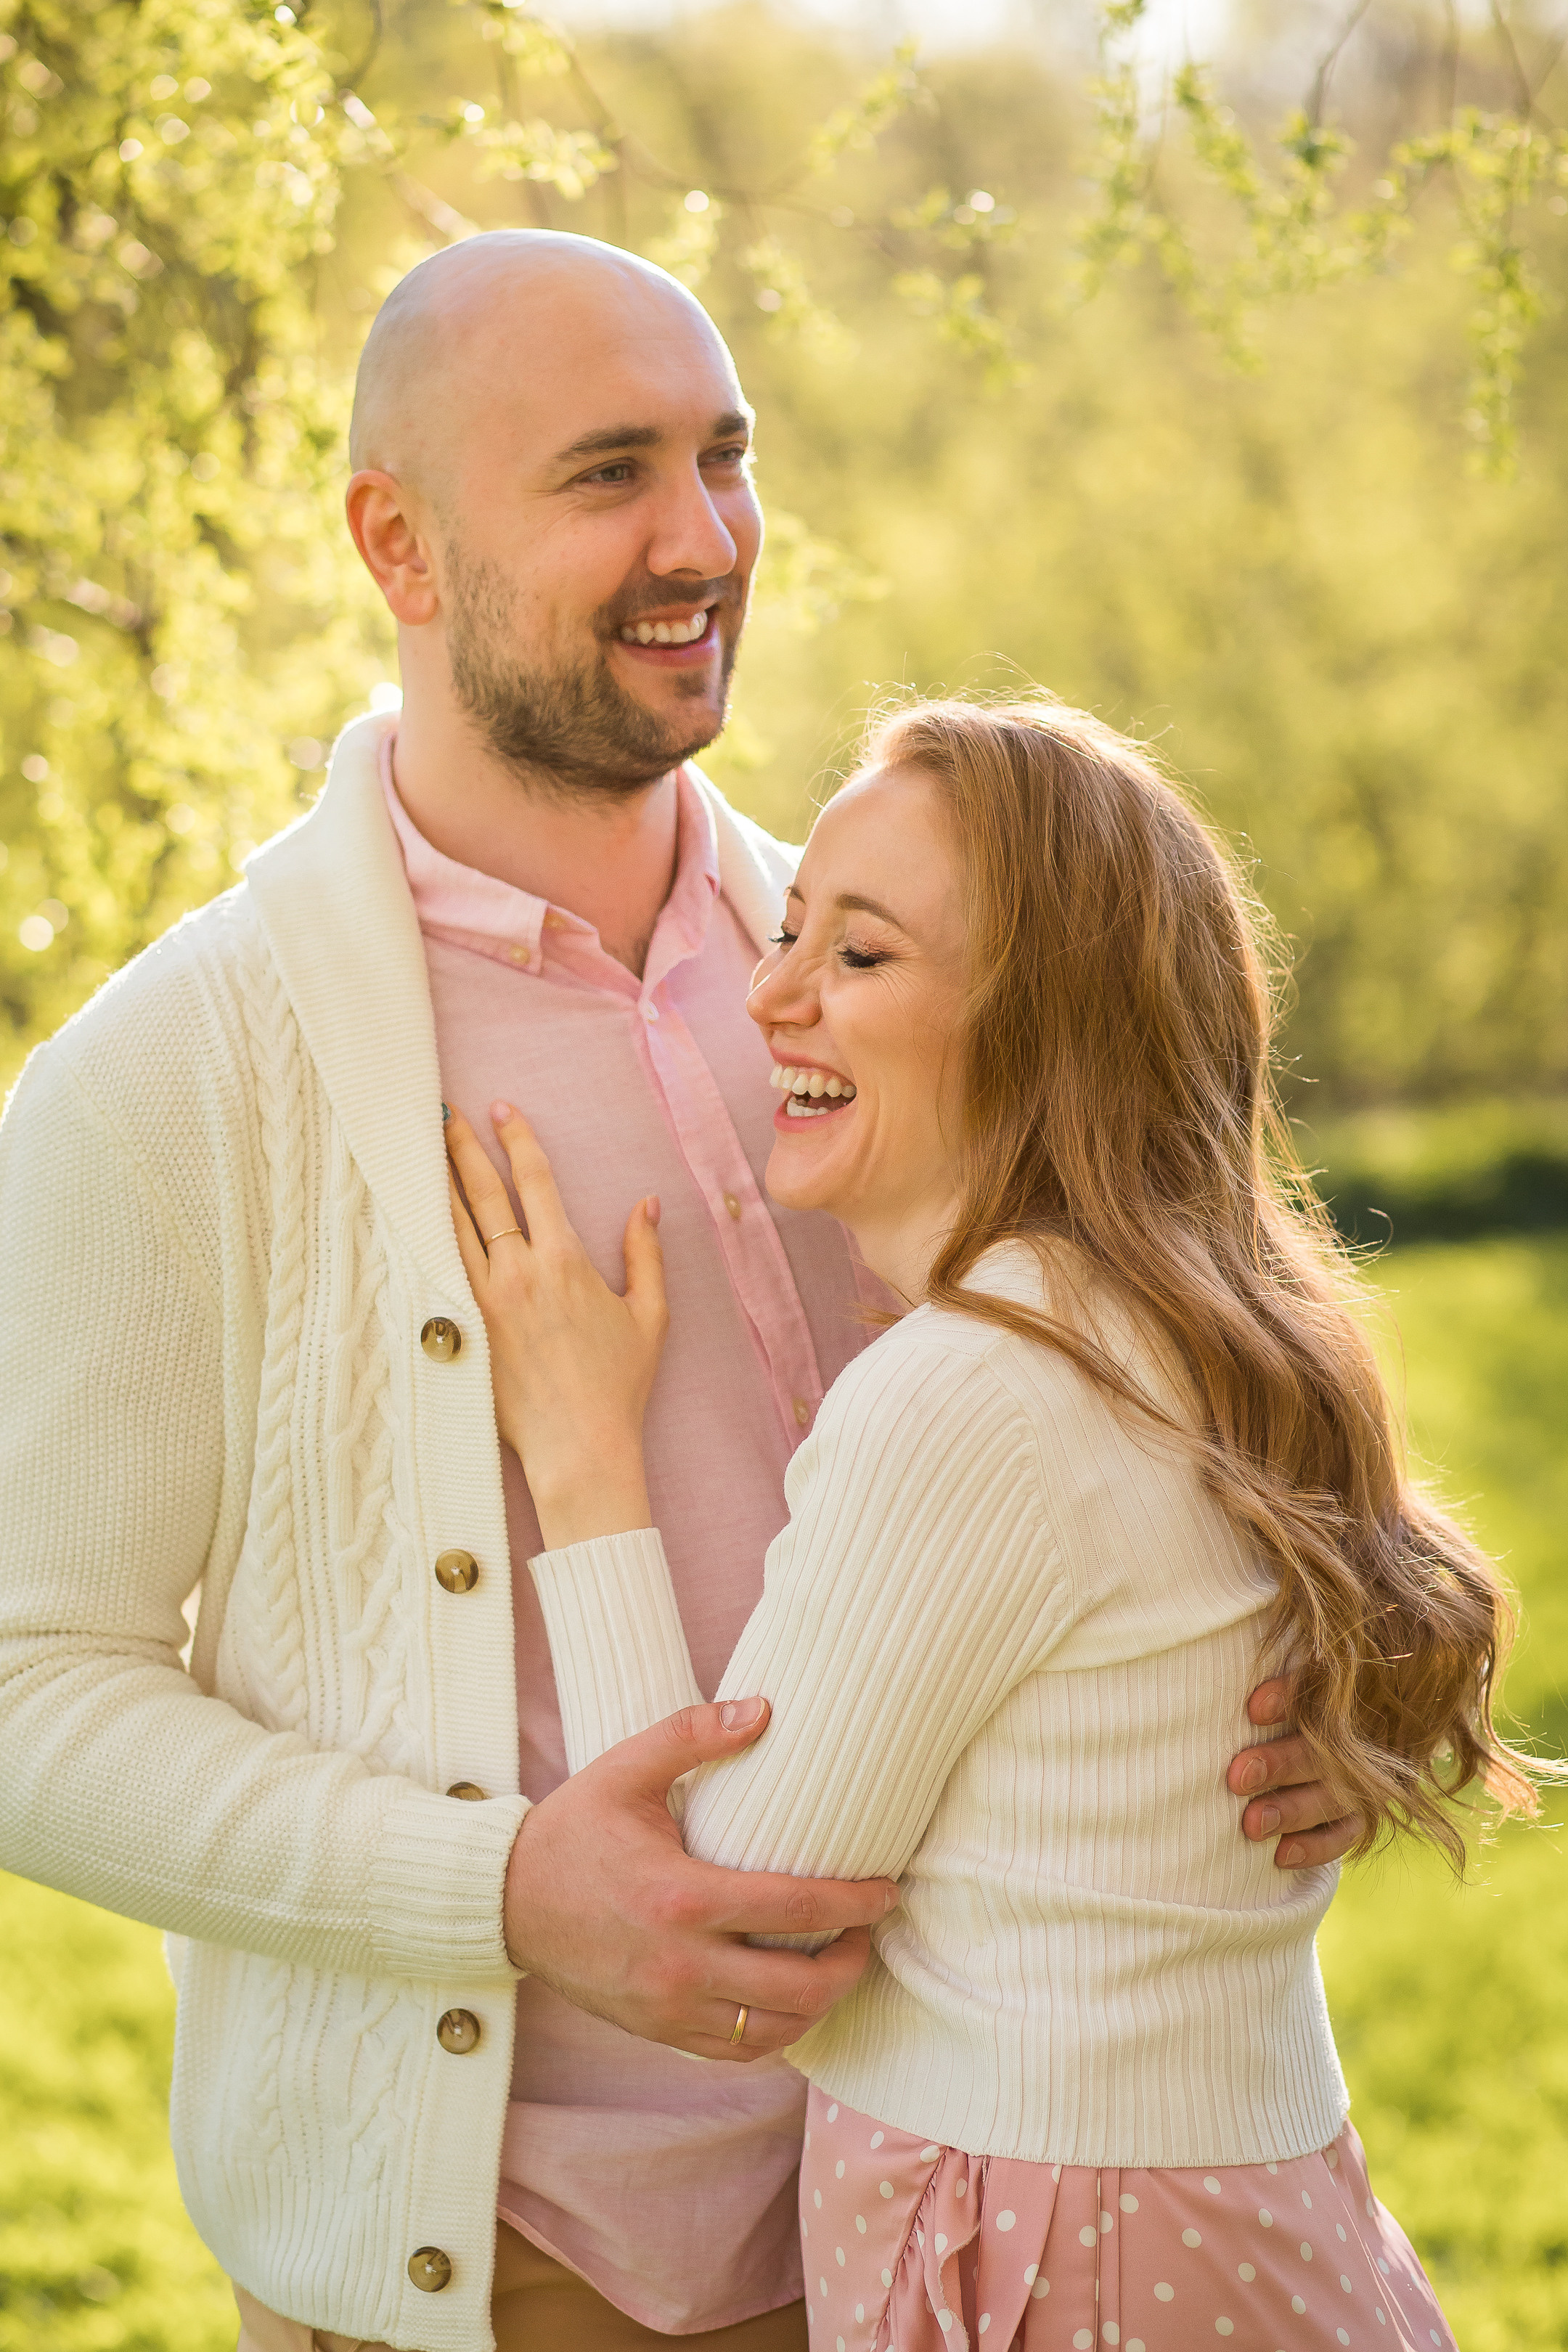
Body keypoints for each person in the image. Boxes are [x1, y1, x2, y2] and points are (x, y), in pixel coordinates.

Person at [0, 232, 1360, 2352]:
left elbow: (1150, 1358)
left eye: (725, 457)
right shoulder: (177, 1078)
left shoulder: (891, 973)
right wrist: (499, 1888)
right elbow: (22, 1688)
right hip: (525, 2265)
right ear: (399, 541)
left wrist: (1292, 1684)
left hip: (953, 2216)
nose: (703, 537)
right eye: (608, 472)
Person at [443, 693, 1548, 2352]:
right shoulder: (1196, 1332)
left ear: (1047, 1026)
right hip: (1228, 2213)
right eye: (788, 926)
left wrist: (586, 1460)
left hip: (1068, 2250)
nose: (775, 994)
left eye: (862, 957)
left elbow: (730, 1918)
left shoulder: (977, 1389)